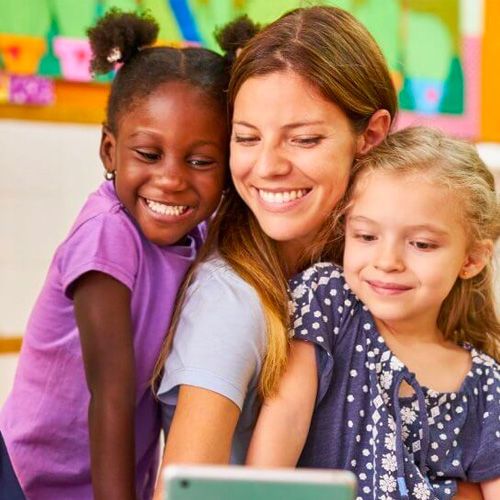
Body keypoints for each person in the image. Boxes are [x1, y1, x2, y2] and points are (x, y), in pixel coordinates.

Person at [0, 9, 232, 500]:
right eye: (149, 155)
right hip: (30, 478)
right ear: (110, 151)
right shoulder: (107, 232)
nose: (171, 178)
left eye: (201, 160)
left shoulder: (198, 232)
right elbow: (111, 393)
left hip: (102, 478)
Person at [153, 4, 395, 471]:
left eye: (303, 140)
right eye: (247, 138)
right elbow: (184, 488)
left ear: (371, 135)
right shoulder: (234, 299)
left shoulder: (376, 280)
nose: (266, 167)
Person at [247, 127, 500, 499]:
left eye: (421, 244)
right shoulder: (329, 301)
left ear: (473, 258)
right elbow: (283, 423)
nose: (387, 262)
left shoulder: (486, 385)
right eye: (366, 236)